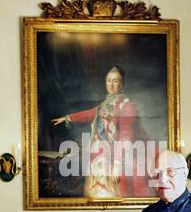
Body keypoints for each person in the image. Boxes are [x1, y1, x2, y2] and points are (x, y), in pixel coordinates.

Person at [51, 66, 152, 198]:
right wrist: (68, 118)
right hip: (99, 153)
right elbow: (89, 114)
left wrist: (117, 164)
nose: (111, 84)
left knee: (113, 191)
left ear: (122, 84)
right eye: (108, 80)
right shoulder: (105, 104)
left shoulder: (127, 106)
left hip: (116, 155)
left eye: (115, 81)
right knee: (95, 189)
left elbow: (125, 137)